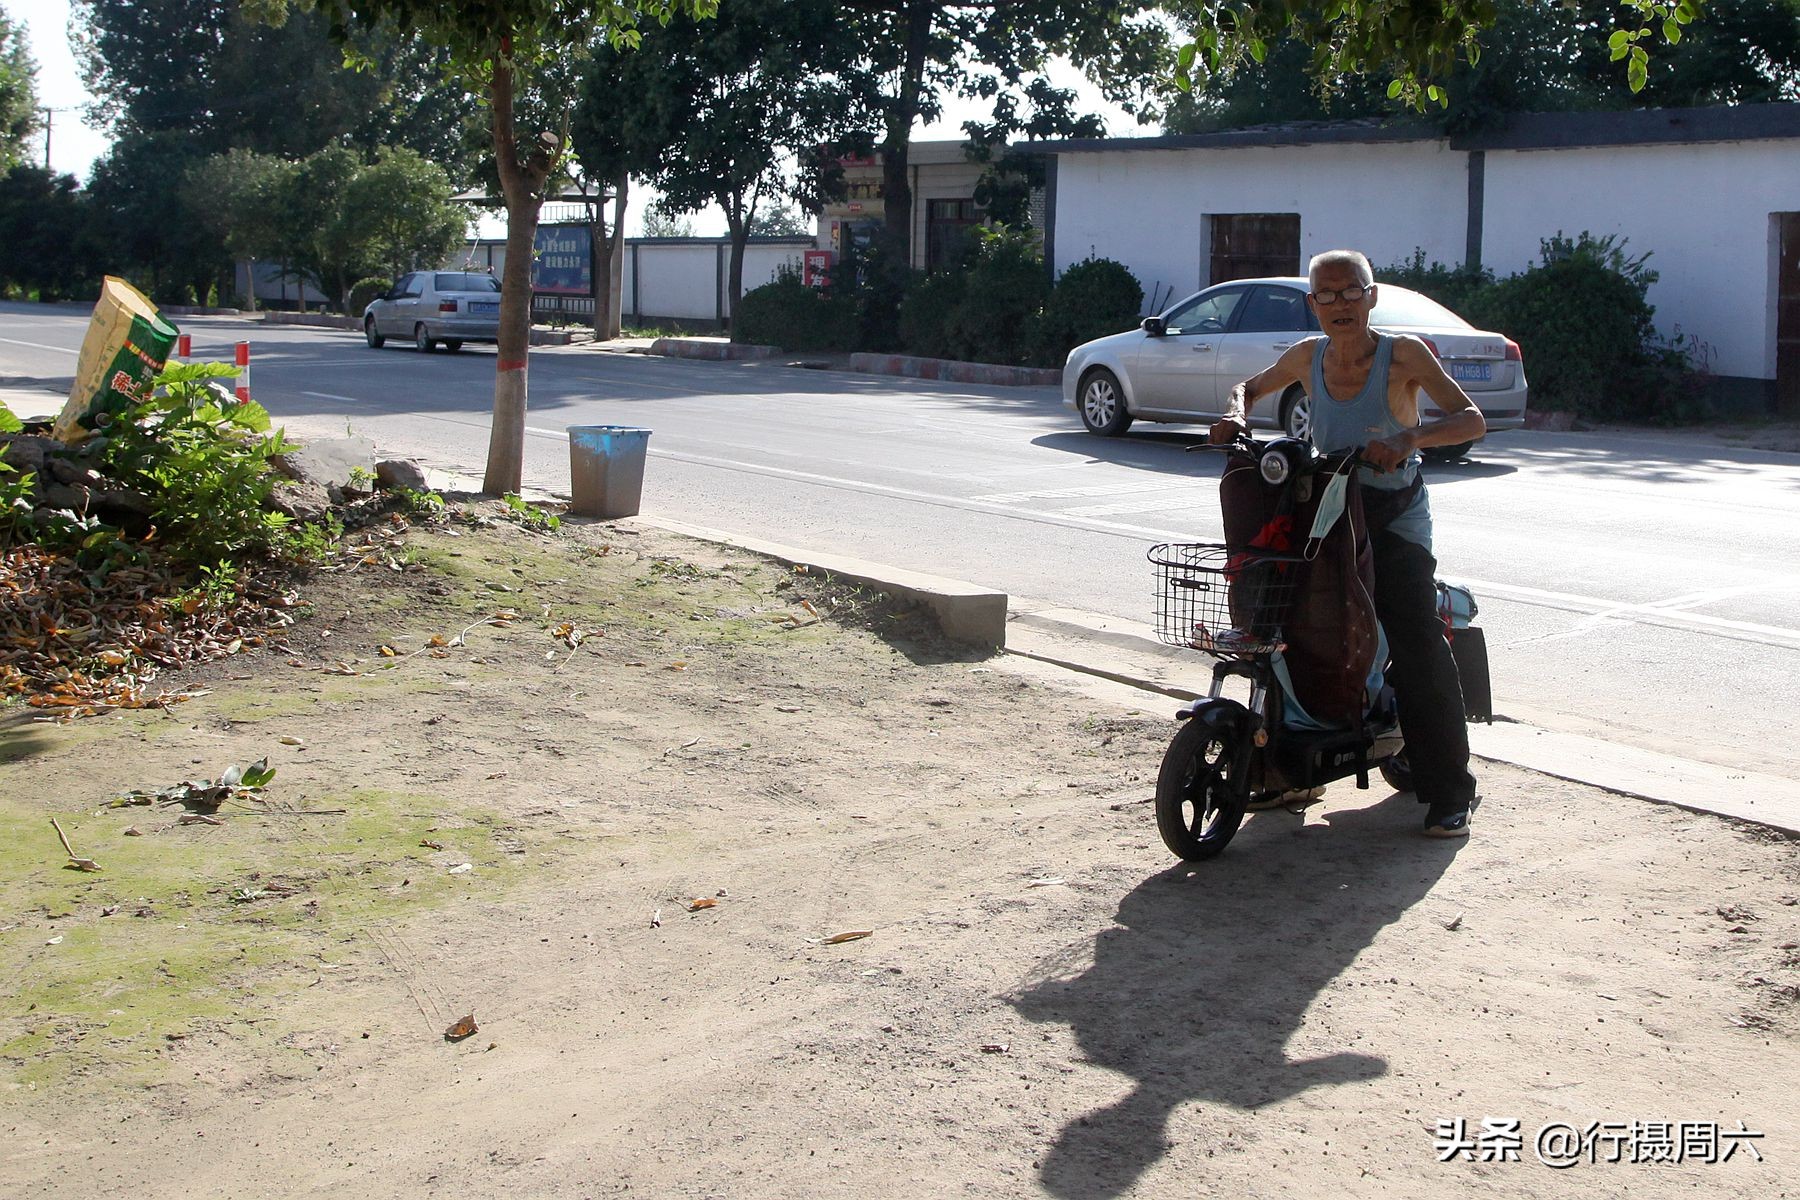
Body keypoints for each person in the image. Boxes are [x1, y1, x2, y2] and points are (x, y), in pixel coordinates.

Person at [1209, 249, 1486, 837]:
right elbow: (1248, 388)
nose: (1339, 305)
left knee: (1414, 638)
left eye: (1349, 292)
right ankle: (1292, 770)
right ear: (1313, 304)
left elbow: (1470, 420)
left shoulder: (1402, 354)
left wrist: (1410, 437)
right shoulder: (1307, 357)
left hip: (1392, 514)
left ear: (1371, 295)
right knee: (1291, 627)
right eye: (1325, 296)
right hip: (1330, 509)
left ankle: (1451, 793)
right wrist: (1235, 415)